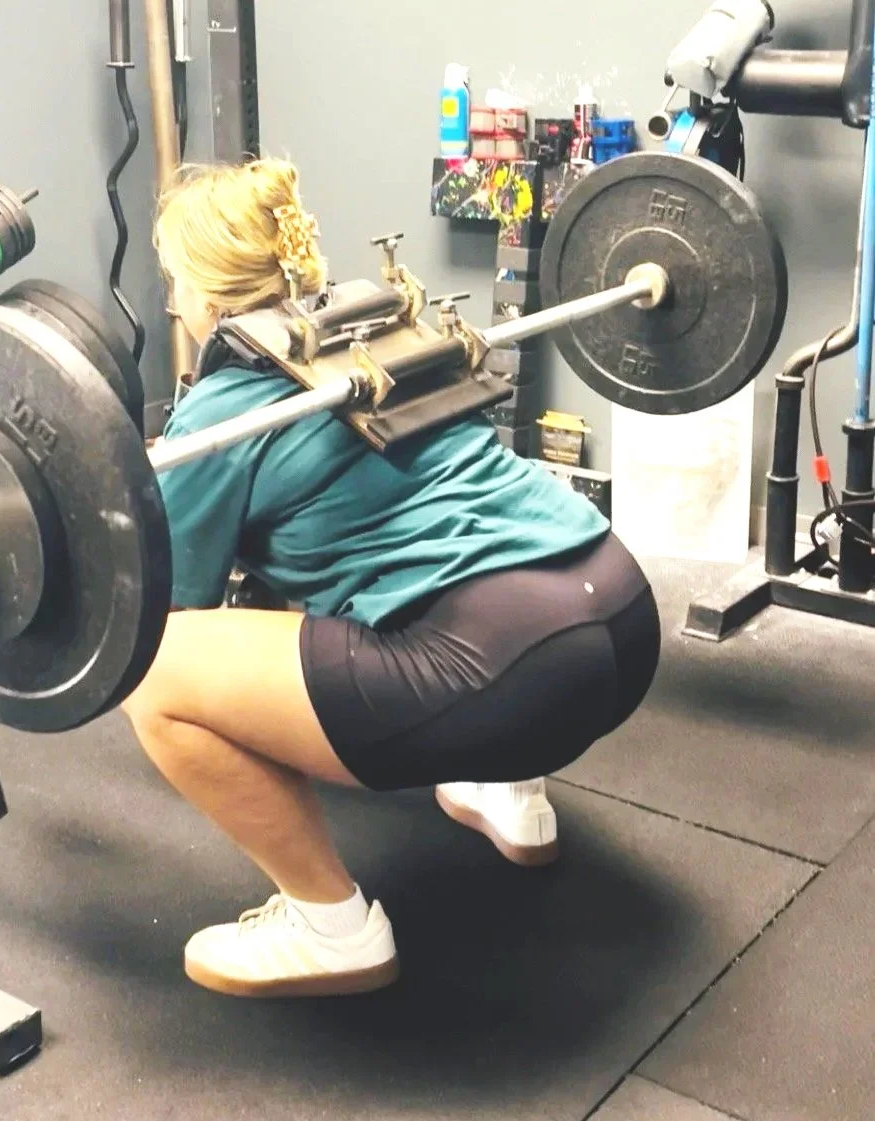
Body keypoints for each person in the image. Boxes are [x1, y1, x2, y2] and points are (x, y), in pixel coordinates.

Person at [121, 158, 661, 999]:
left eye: (174, 281)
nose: (169, 302)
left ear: (213, 299)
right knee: (429, 560)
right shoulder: (376, 332)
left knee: (154, 673)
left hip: (508, 678)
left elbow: (167, 600)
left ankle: (331, 928)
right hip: (621, 612)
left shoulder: (225, 407)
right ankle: (511, 792)